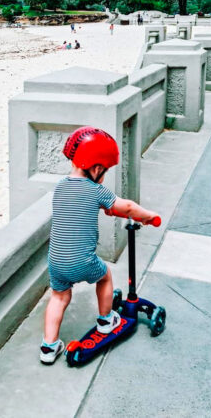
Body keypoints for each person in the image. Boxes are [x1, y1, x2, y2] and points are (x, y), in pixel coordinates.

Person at [40, 127, 158, 365]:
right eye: (104, 170)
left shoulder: (60, 187)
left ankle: (49, 347)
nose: (104, 176)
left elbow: (77, 207)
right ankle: (106, 321)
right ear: (95, 168)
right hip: (82, 262)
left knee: (59, 297)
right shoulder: (96, 190)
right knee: (105, 277)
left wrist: (104, 207)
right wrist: (149, 216)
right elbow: (127, 207)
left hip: (56, 261)